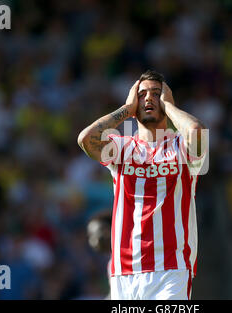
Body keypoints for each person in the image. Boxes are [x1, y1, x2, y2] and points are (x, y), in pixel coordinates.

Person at [77, 70, 207, 300]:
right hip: (124, 271)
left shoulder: (181, 148)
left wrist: (170, 107)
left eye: (156, 94)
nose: (148, 98)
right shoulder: (122, 148)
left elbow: (196, 132)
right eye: (142, 94)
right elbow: (86, 139)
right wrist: (126, 110)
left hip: (171, 269)